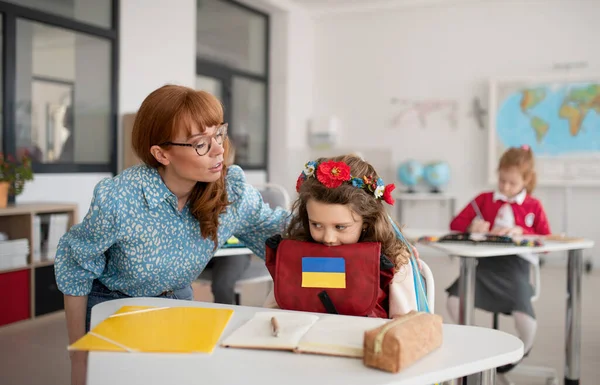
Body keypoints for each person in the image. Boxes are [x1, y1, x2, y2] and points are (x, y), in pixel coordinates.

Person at [54, 85, 289, 385]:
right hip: (115, 307)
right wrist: (79, 354)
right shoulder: (122, 199)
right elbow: (75, 265)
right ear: (162, 153)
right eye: (201, 143)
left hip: (178, 303)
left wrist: (343, 217)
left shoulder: (232, 193)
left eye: (218, 134)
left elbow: (280, 230)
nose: (219, 149)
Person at [263, 154, 428, 318]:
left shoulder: (394, 261)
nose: (328, 238)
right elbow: (270, 314)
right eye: (317, 225)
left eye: (340, 227)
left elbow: (405, 323)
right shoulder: (295, 254)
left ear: (366, 221)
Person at [445, 145, 550, 372]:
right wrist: (472, 226)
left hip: (517, 268)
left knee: (525, 317)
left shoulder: (534, 206)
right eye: (502, 180)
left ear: (526, 180)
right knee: (454, 300)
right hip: (484, 264)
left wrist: (523, 232)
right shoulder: (484, 200)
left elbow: (546, 240)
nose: (505, 187)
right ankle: (472, 345)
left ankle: (522, 351)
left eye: (512, 183)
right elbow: (454, 225)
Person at [203, 144, 252, 304]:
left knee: (223, 285)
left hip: (232, 251)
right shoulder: (195, 184)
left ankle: (227, 324)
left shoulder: (236, 187)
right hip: (203, 249)